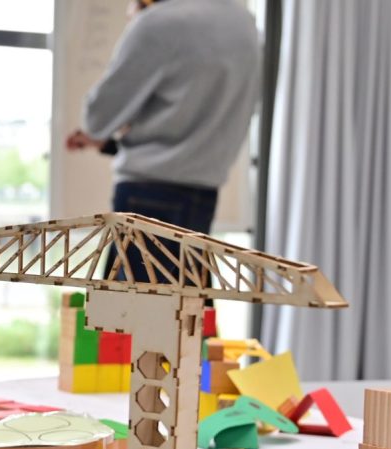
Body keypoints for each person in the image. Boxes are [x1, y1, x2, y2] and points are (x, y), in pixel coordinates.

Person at [66, 0, 260, 281]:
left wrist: (140, 21)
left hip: (146, 199)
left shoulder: (158, 22)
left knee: (126, 319)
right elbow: (196, 124)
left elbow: (97, 119)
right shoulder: (244, 23)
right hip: (202, 197)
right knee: (188, 318)